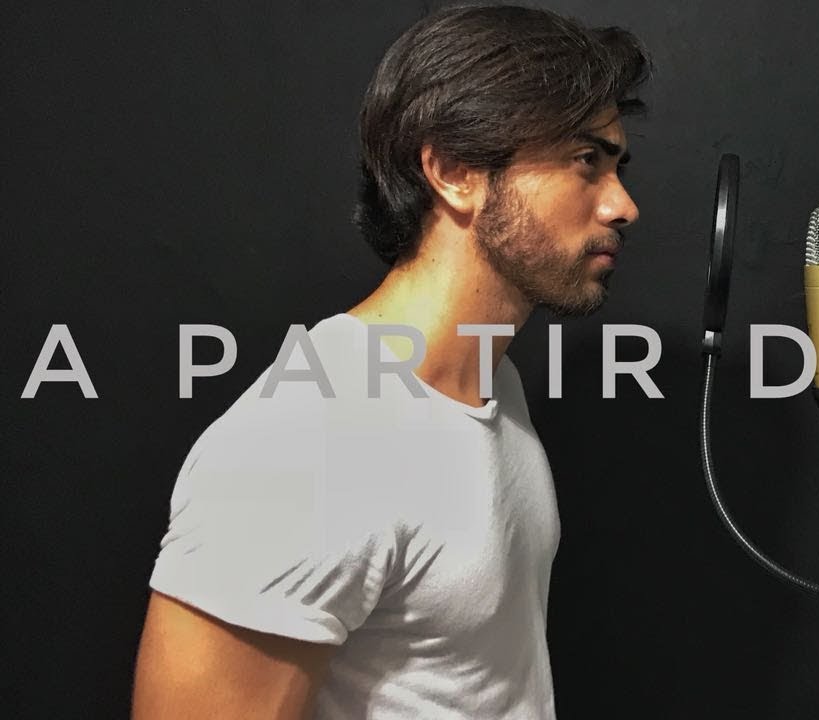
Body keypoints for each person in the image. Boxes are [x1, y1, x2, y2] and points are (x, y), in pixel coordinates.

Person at [131, 5, 648, 719]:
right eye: (586, 161)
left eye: (618, 167)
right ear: (454, 171)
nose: (624, 206)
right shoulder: (305, 446)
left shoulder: (490, 381)